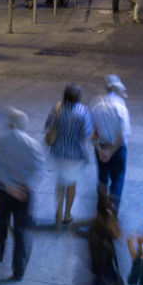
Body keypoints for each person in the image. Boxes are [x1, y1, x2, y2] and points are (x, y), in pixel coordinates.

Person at [0, 107, 47, 281]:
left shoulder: (2, 141)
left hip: (3, 191)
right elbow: (40, 169)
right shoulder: (32, 144)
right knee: (21, 230)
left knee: (2, 221)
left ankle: (0, 249)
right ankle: (18, 269)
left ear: (10, 124)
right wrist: (26, 187)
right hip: (24, 193)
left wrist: (9, 186)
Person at [45, 84, 94, 227]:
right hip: (75, 154)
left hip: (59, 152)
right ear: (78, 97)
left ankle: (58, 212)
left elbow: (49, 126)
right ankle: (67, 214)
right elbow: (87, 134)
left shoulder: (57, 109)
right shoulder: (83, 111)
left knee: (60, 183)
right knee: (71, 185)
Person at [91, 75, 130, 211]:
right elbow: (122, 134)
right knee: (117, 179)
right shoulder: (121, 108)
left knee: (102, 179)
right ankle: (112, 211)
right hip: (117, 149)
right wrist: (111, 151)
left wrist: (101, 150)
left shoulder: (96, 105)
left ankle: (101, 209)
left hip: (101, 147)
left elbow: (93, 132)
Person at [89, 187, 124, 285]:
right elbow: (117, 236)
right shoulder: (107, 223)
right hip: (106, 271)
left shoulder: (97, 226)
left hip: (101, 272)